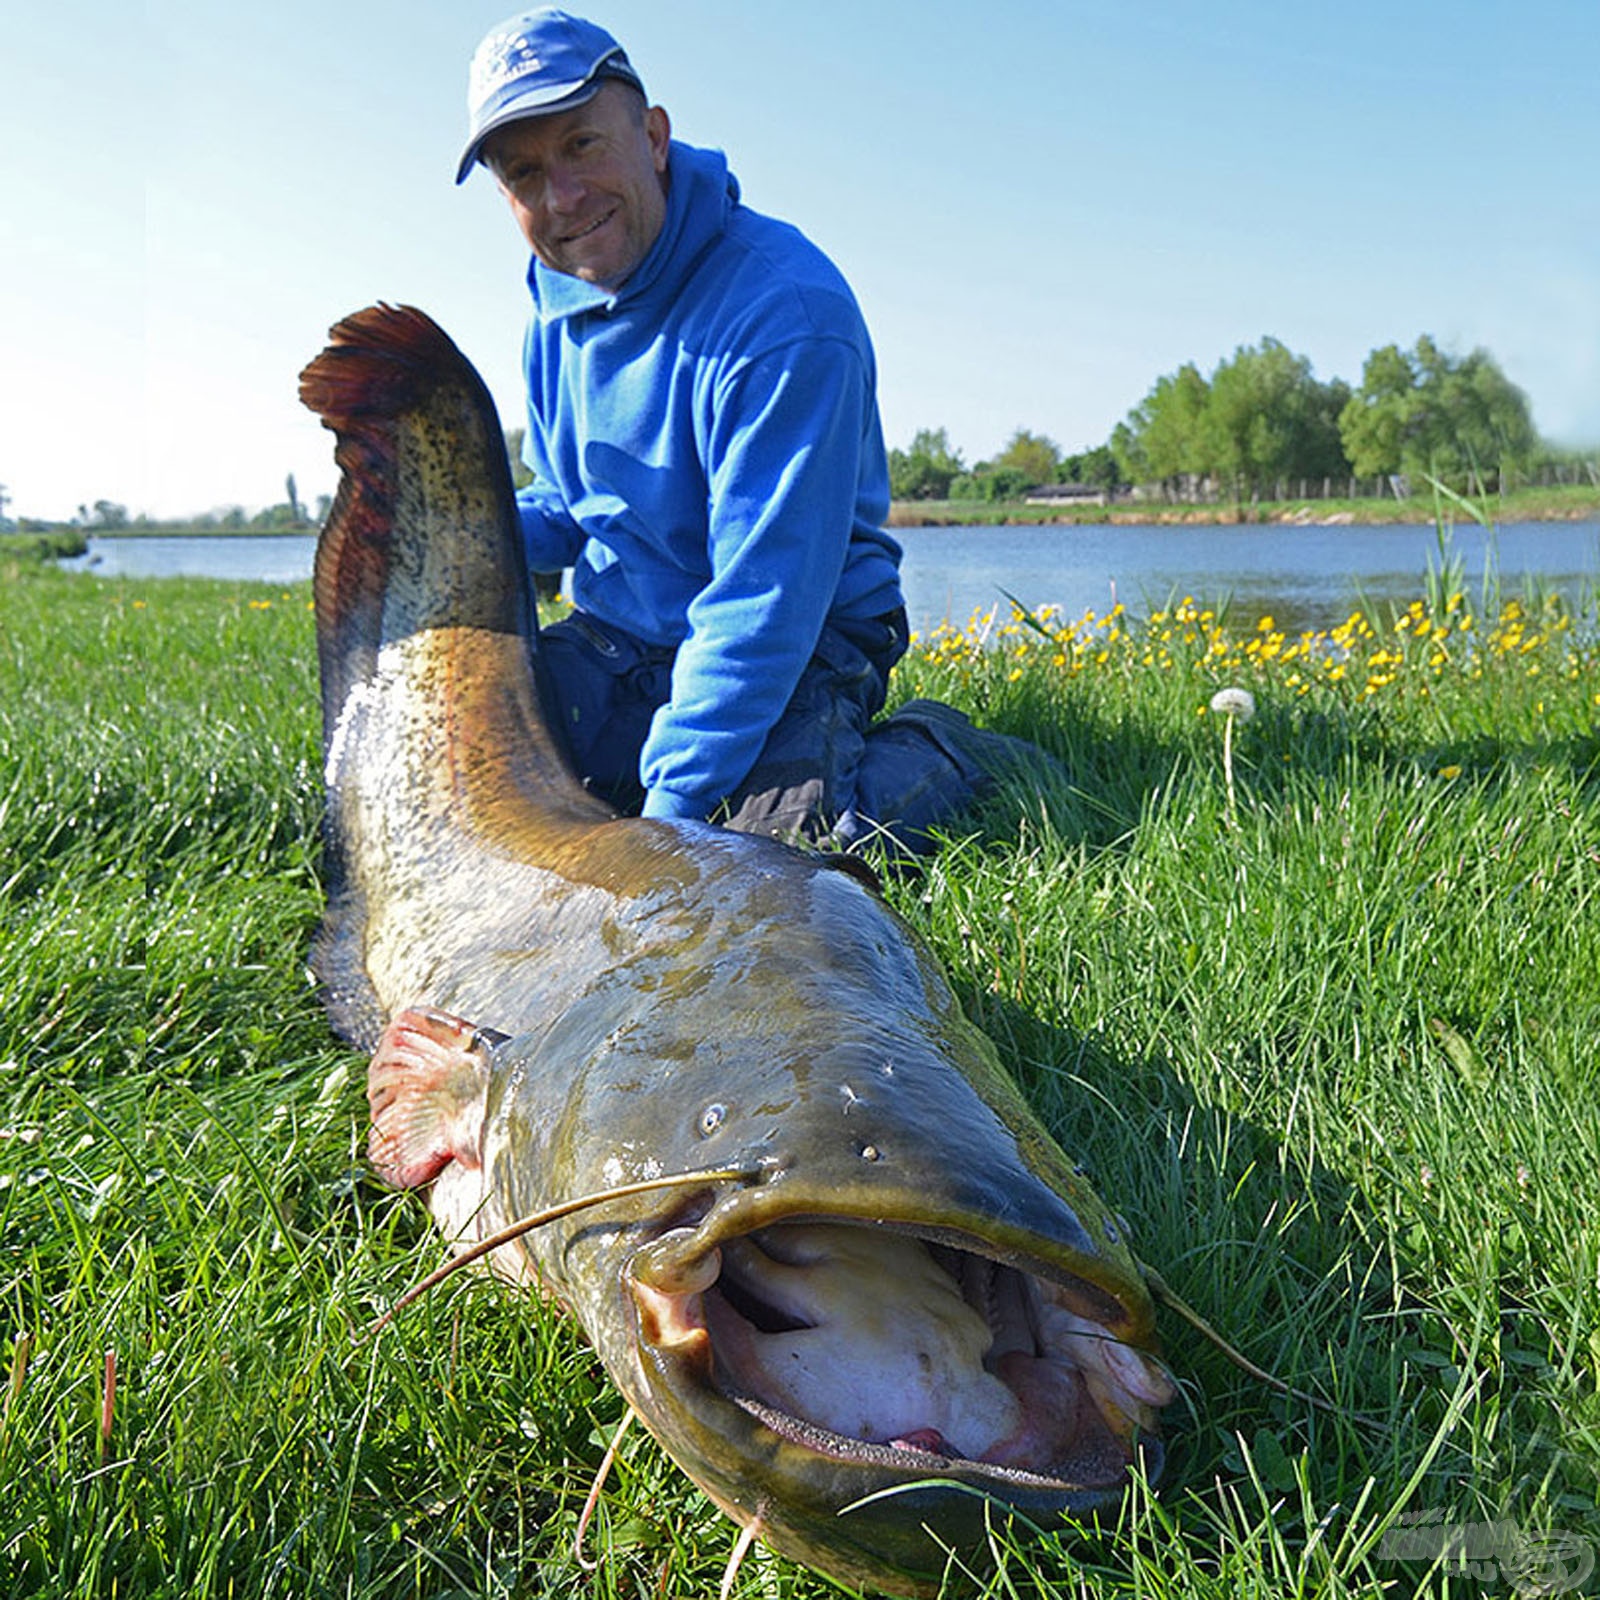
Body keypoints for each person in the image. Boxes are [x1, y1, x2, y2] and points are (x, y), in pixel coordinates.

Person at [457, 9, 1049, 853]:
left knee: (774, 855)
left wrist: (668, 825)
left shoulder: (784, 312)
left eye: (583, 145)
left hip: (800, 633)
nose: (562, 198)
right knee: (487, 777)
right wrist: (438, 541)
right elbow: (564, 502)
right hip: (626, 637)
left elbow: (761, 603)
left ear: (654, 137)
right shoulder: (553, 314)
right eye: (523, 173)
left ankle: (945, 751)